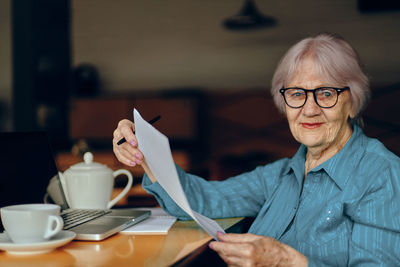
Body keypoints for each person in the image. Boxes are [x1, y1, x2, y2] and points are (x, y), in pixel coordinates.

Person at [112, 33, 400, 266]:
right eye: (297, 94)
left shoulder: (381, 176)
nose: (309, 110)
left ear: (352, 101)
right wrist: (146, 150)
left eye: (326, 93)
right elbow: (203, 201)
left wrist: (285, 261)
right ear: (283, 103)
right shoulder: (282, 174)